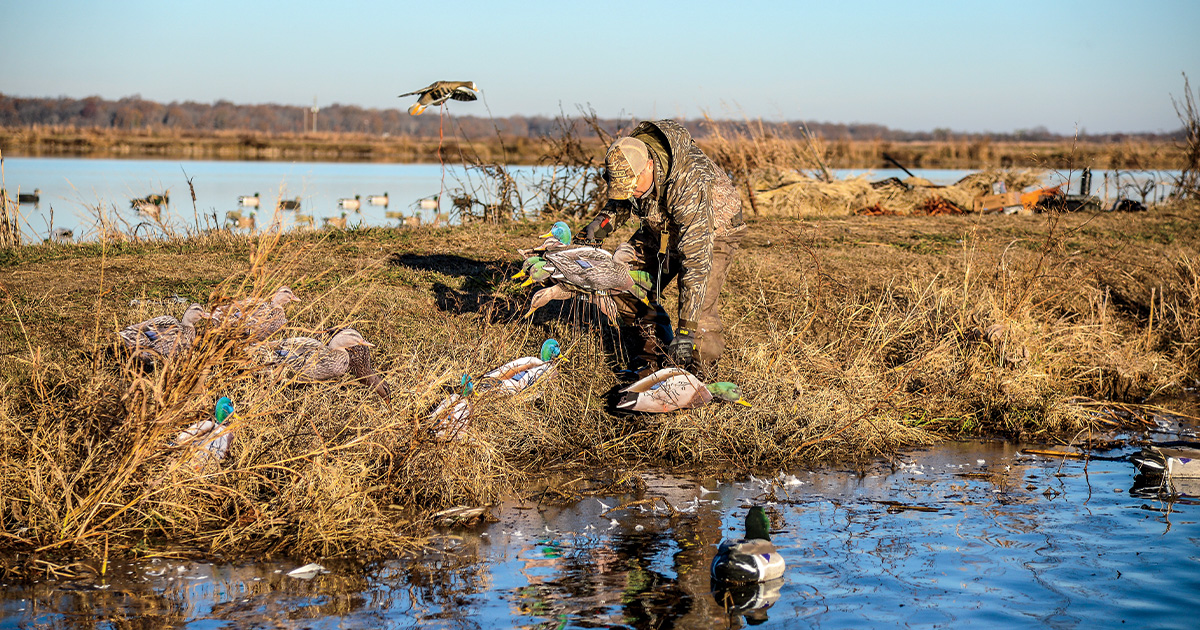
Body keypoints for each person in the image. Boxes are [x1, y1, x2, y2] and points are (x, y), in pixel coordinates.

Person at [578, 120, 747, 377]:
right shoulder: (633, 162)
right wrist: (595, 230)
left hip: (714, 233)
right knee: (621, 281)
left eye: (633, 186)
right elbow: (621, 202)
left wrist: (685, 331)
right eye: (626, 188)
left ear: (649, 166)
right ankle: (652, 360)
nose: (632, 193)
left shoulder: (689, 181)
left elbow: (696, 261)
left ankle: (697, 377)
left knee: (698, 314)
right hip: (663, 227)